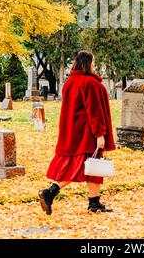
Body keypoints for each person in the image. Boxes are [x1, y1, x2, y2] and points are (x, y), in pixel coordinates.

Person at [38, 51, 116, 215]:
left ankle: (94, 202)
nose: (94, 65)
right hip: (86, 133)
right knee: (79, 166)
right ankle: (50, 192)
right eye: (93, 62)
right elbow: (94, 111)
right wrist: (100, 134)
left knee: (93, 166)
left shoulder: (70, 82)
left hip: (73, 132)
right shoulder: (90, 83)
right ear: (88, 63)